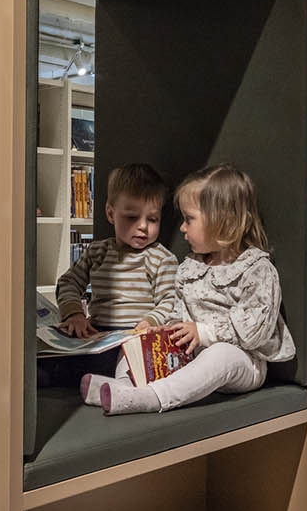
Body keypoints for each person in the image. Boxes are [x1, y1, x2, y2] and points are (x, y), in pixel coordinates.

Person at [85, 163, 294, 415]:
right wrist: (165, 329)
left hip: (242, 362)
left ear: (222, 221)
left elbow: (254, 331)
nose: (182, 228)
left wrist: (203, 332)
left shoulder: (257, 269)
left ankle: (153, 397)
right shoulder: (190, 268)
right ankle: (124, 386)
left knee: (220, 355)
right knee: (137, 340)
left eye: (189, 219)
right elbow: (178, 310)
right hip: (190, 357)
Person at [55, 162, 178, 338]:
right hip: (96, 333)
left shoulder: (161, 258)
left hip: (138, 336)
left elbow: (171, 300)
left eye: (152, 219)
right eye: (132, 217)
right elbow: (68, 283)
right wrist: (74, 314)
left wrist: (151, 322)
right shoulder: (96, 252)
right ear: (111, 214)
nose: (143, 226)